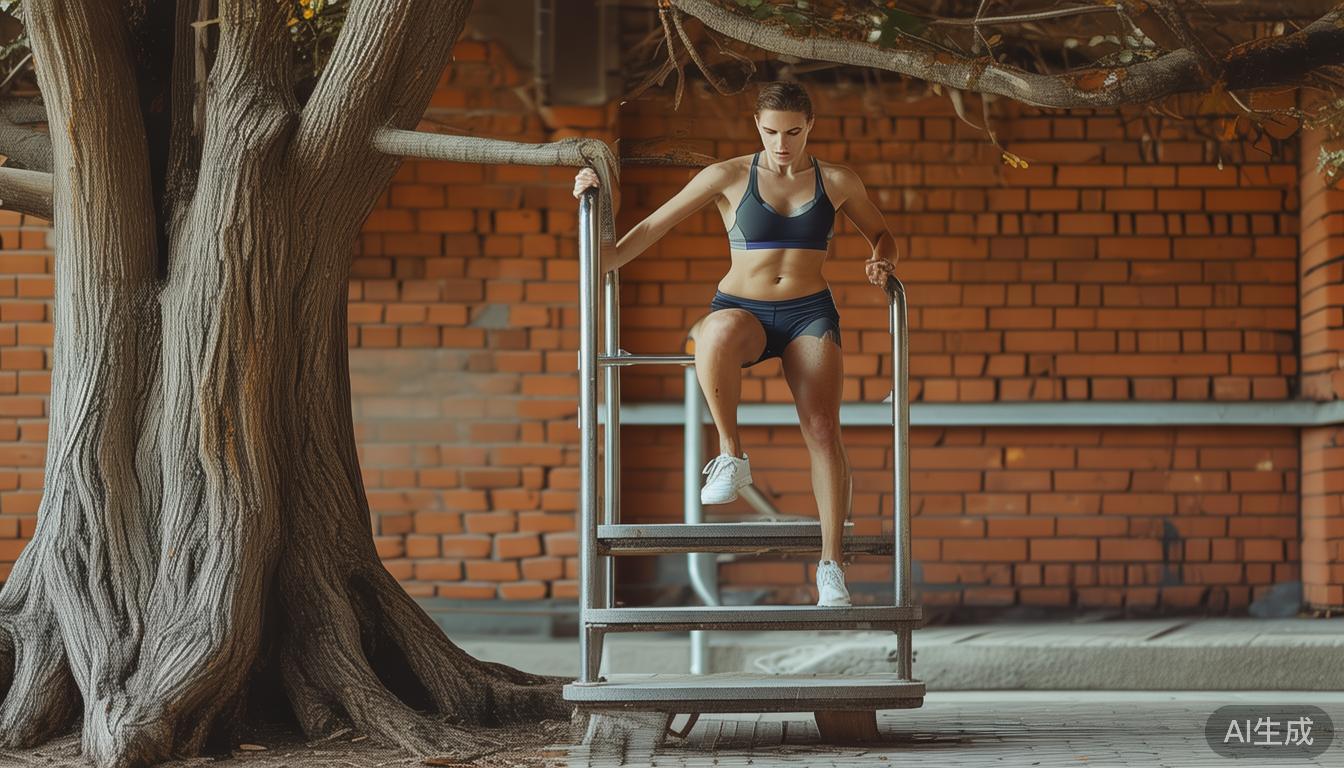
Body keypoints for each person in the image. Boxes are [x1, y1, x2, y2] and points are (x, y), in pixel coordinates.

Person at [572, 81, 897, 607]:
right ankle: (731, 453)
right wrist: (593, 203)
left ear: (810, 125)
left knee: (822, 427)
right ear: (757, 127)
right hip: (742, 310)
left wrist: (883, 260)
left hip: (808, 312)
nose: (782, 143)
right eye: (771, 132)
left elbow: (882, 233)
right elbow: (653, 225)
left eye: (793, 131)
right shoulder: (727, 175)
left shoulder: (836, 180)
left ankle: (831, 564)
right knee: (715, 331)